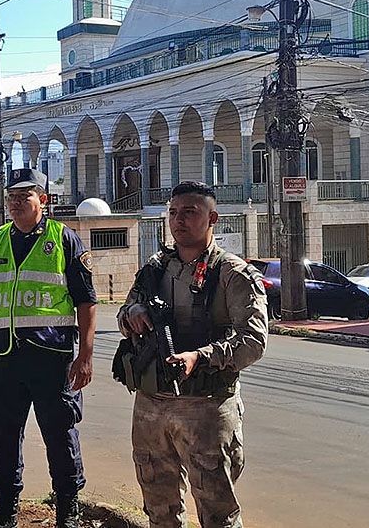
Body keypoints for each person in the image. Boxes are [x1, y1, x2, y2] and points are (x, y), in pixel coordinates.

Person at [116, 181, 268, 528]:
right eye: (173, 212)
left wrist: (200, 357)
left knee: (217, 512)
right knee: (158, 507)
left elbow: (254, 341)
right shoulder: (155, 269)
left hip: (206, 405)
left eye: (189, 212)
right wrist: (133, 314)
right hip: (152, 404)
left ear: (212, 218)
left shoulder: (232, 274)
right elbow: (123, 314)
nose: (178, 220)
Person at [0, 168, 97, 528]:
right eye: (10, 197)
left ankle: (67, 510)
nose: (15, 203)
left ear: (43, 200)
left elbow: (87, 303)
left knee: (59, 436)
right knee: (4, 437)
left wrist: (85, 356)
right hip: (4, 360)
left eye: (24, 196)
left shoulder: (64, 239)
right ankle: (6, 510)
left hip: (52, 359)